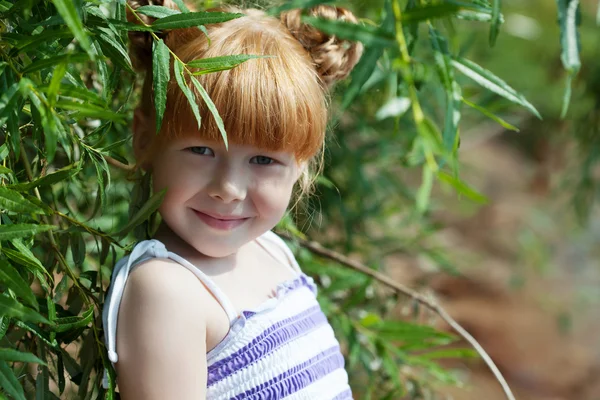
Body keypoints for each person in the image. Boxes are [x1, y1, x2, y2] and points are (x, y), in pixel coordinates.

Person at [102, 0, 363, 398]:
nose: (229, 188)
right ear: (145, 140)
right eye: (202, 151)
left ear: (300, 167)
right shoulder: (168, 290)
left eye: (263, 160)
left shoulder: (273, 253)